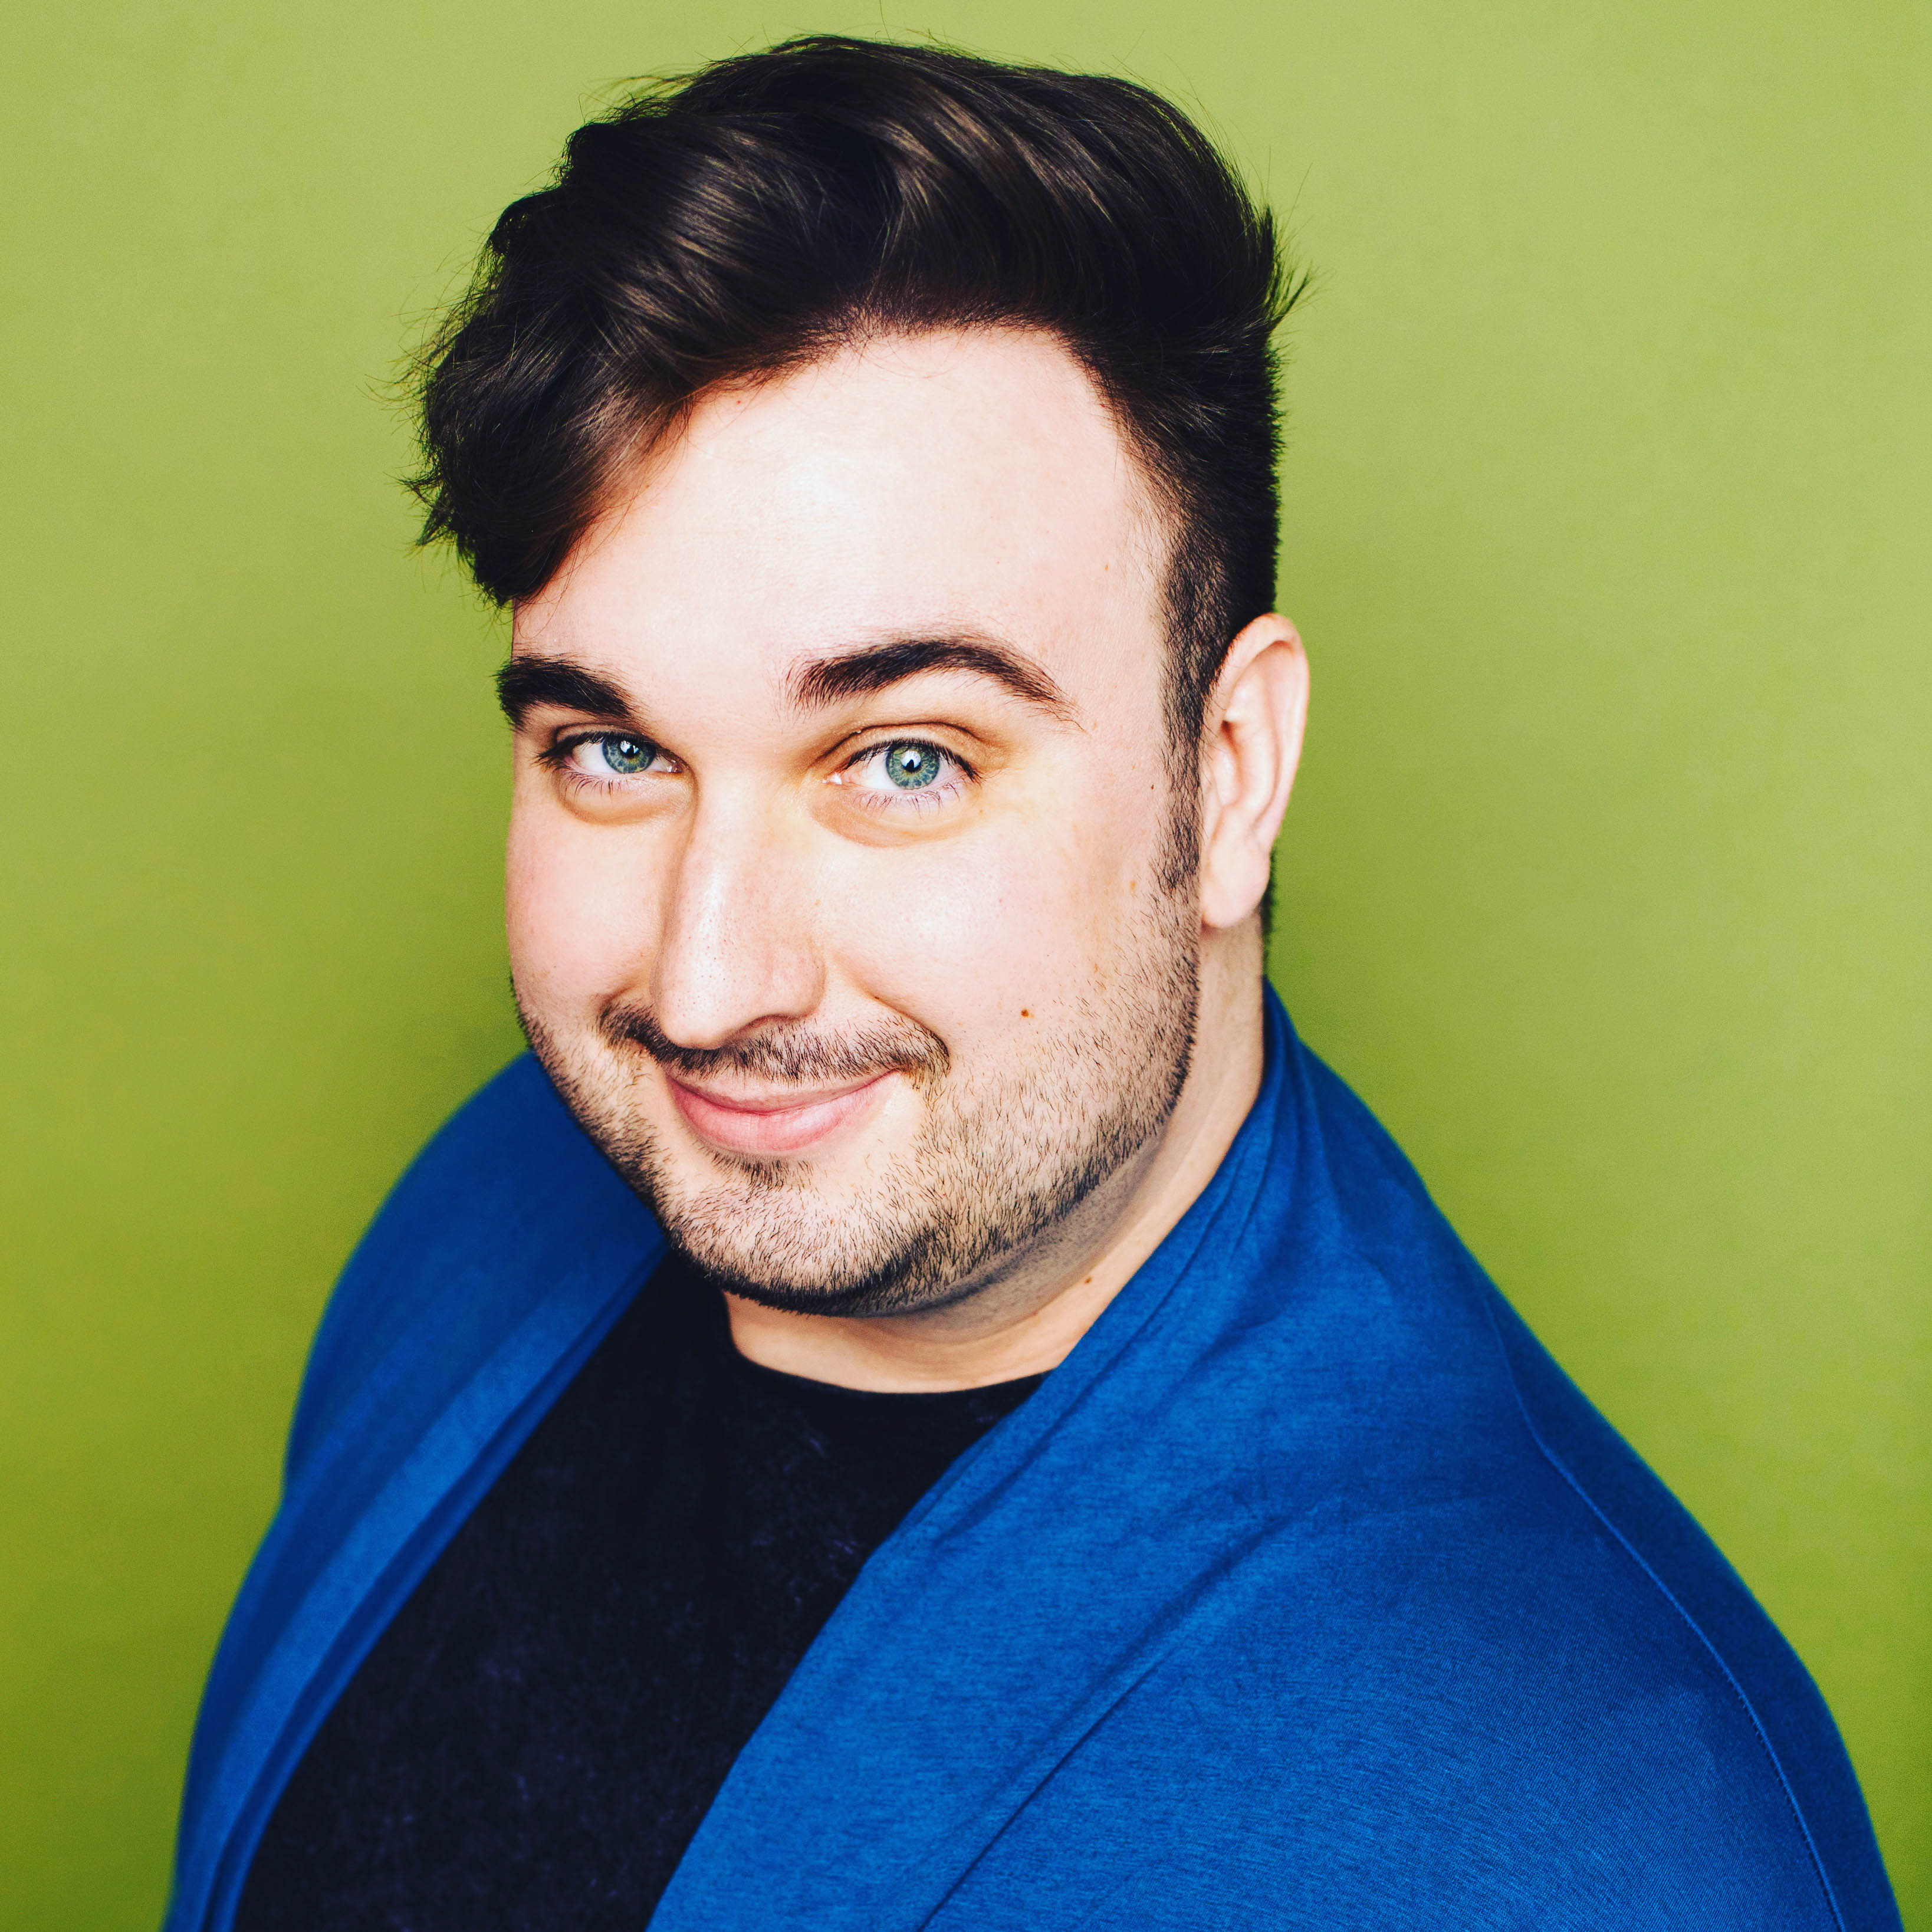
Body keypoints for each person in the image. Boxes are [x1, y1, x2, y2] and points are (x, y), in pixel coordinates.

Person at [163, 35, 1898, 1932]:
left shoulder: (1584, 1831)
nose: (709, 981)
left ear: (1228, 769)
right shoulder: (482, 1212)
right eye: (614, 750)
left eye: (905, 758)